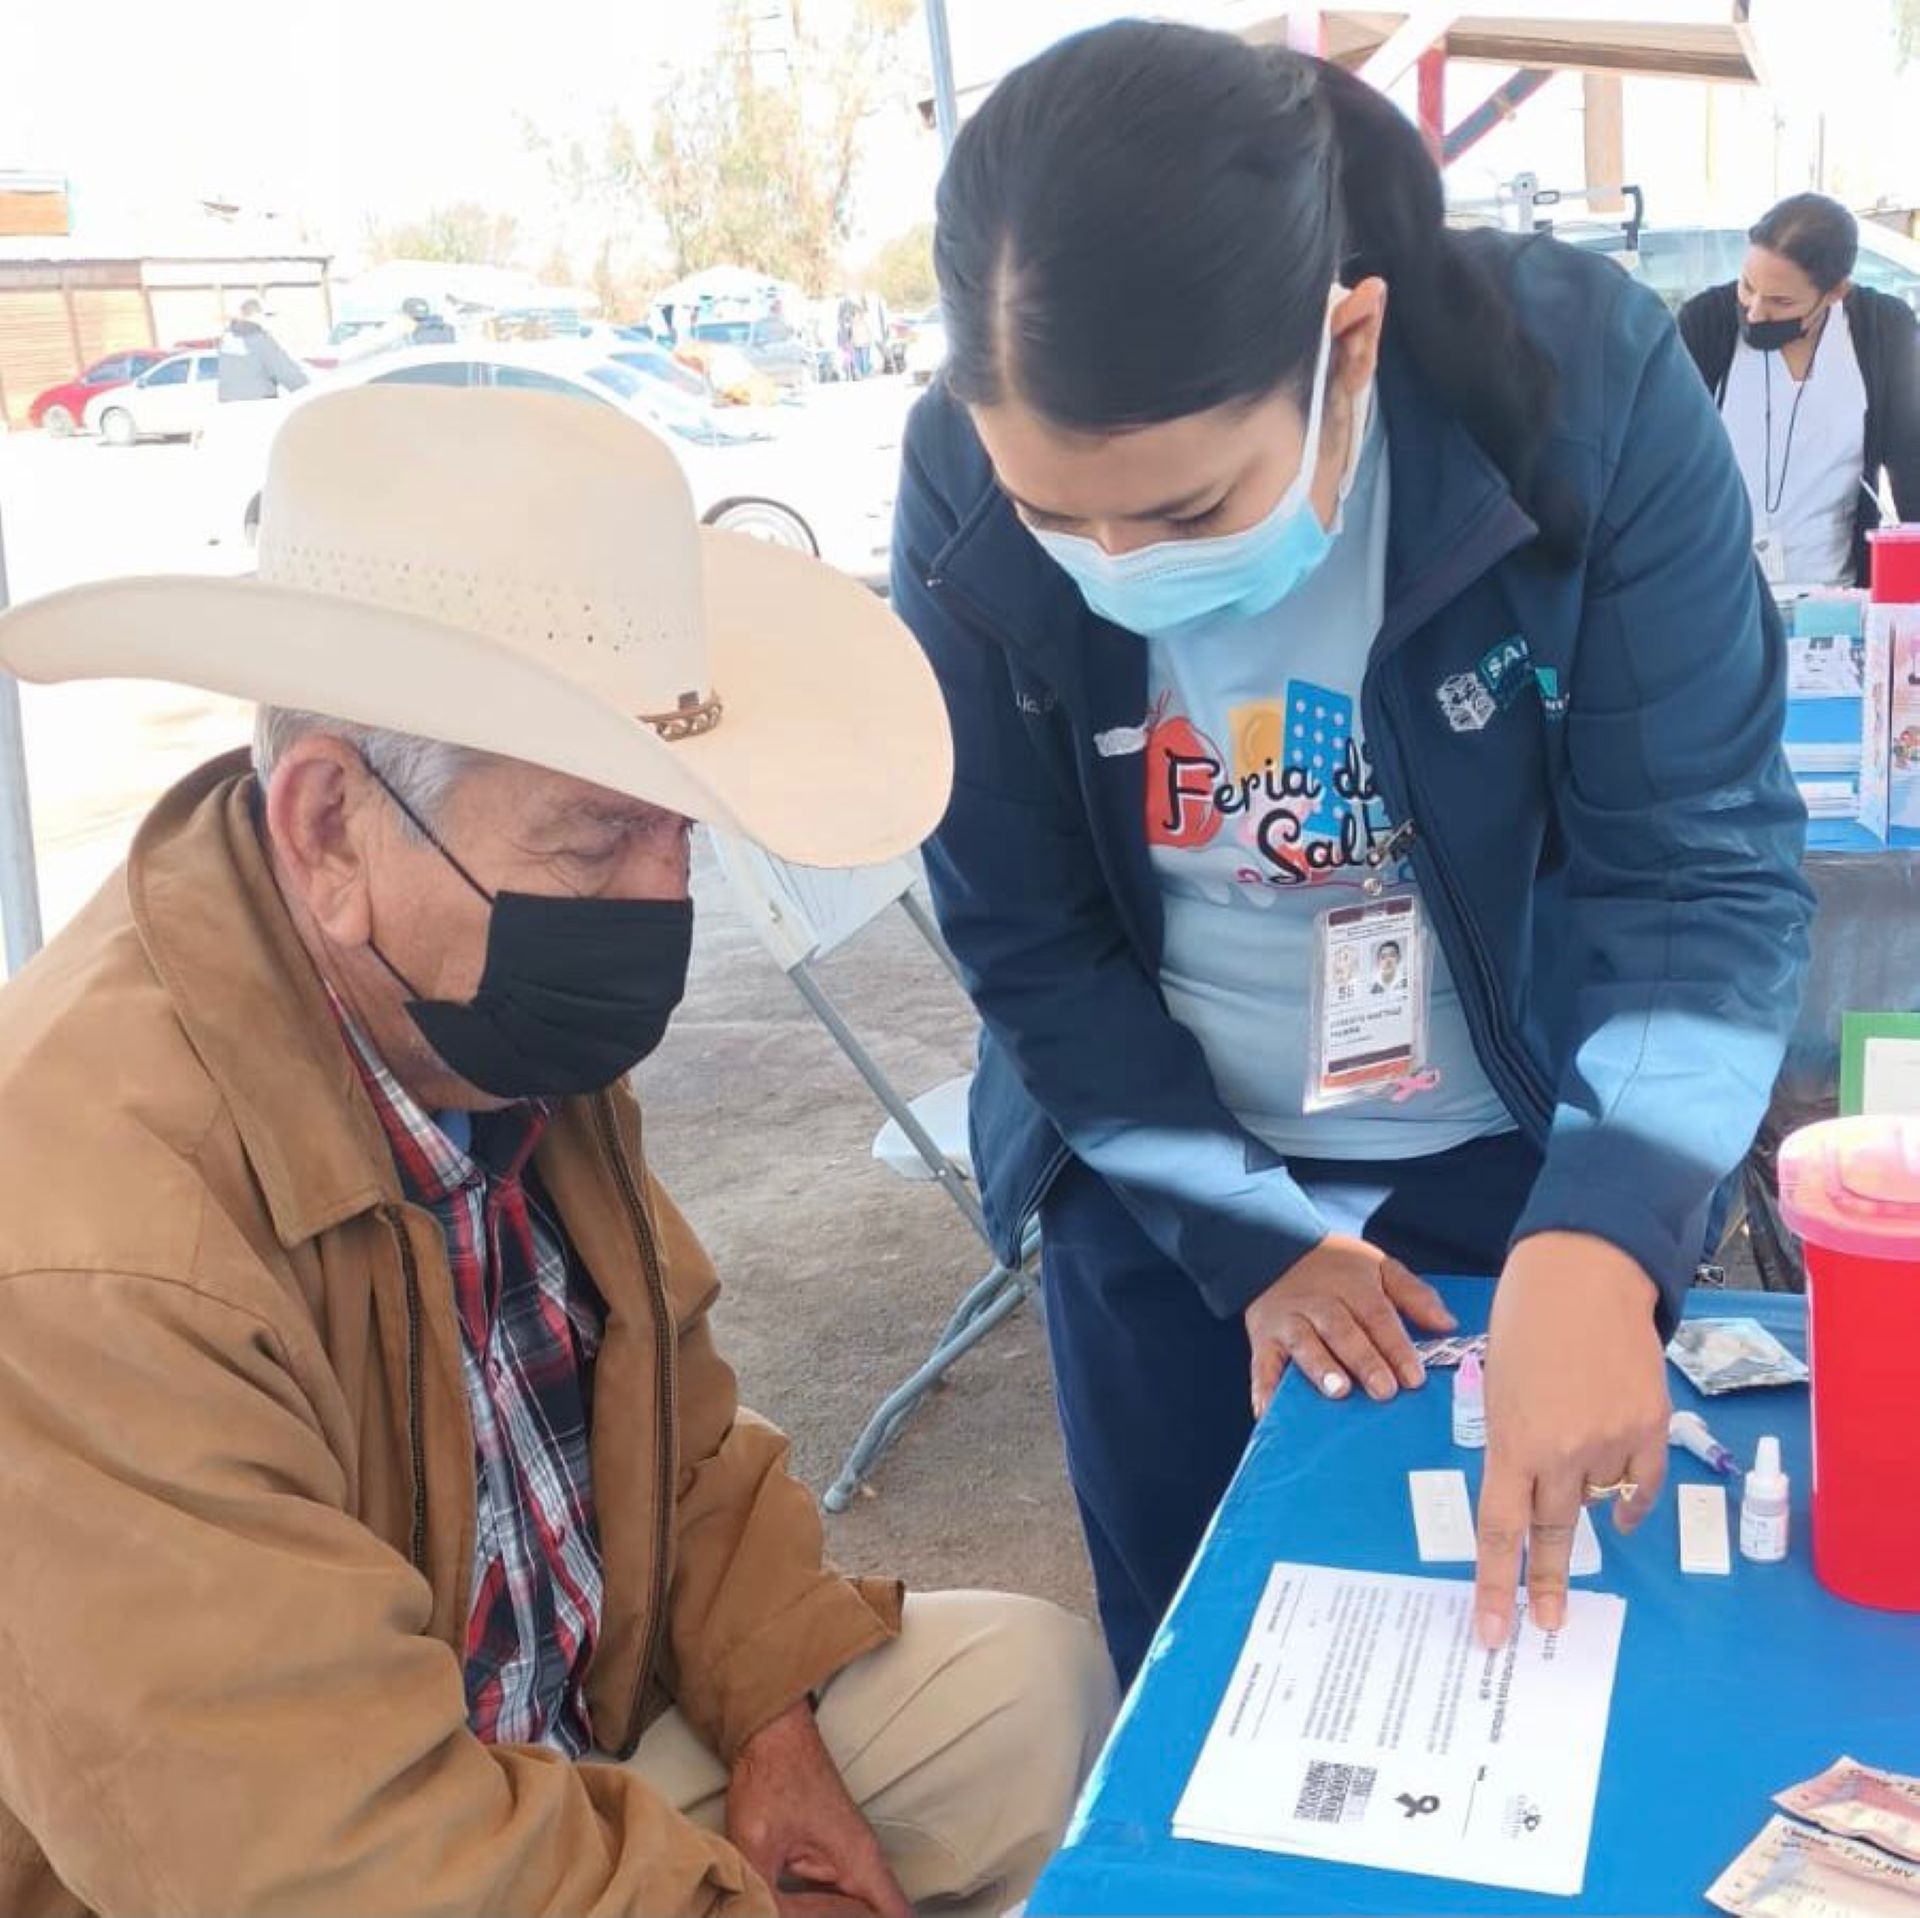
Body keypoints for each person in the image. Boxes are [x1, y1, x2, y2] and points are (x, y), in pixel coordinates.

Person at [0, 384, 1113, 1916]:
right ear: (329, 825)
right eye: (600, 839)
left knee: (1032, 1695)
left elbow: (679, 1426)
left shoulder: (465, 993)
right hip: (310, 1860)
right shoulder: (85, 1241)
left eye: (683, 836)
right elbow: (315, 1856)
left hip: (558, 1739)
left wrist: (777, 1719)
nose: (661, 906)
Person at [892, 22, 1813, 1686]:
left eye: (1183, 513)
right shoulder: (960, 480)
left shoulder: (1581, 396)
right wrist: (1247, 1238)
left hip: (1512, 1136)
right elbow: (1027, 934)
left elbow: (1696, 874)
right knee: (1207, 1668)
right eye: (1058, 514)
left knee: (1541, 1652)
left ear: (1351, 341)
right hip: (1167, 1170)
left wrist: (1608, 1227)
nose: (1112, 565)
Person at [1679, 193, 1920, 588]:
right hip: (1716, 593)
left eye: (1781, 301)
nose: (1756, 311)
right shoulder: (1705, 324)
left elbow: (1911, 464)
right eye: (1747, 286)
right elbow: (1660, 461)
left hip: (1834, 597)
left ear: (1836, 293)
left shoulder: (1882, 330)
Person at [217, 295, 312, 402]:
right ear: (257, 314)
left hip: (228, 405)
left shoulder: (227, 339)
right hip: (261, 405)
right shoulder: (258, 338)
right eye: (268, 315)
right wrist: (310, 393)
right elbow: (286, 372)